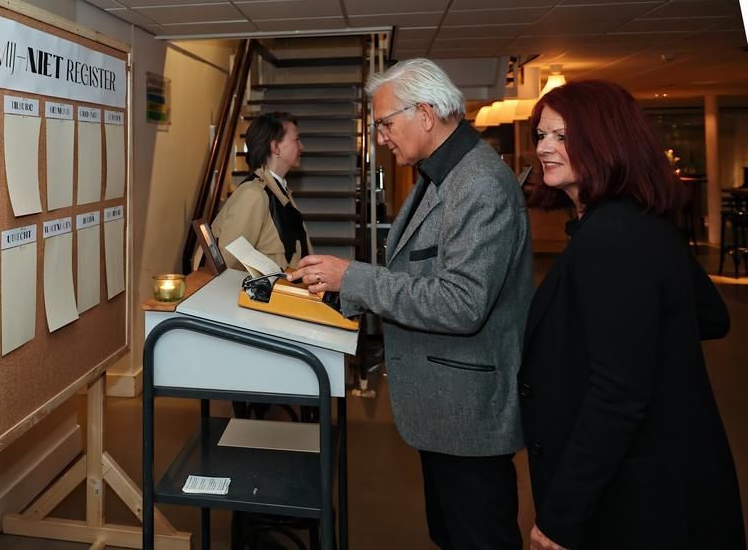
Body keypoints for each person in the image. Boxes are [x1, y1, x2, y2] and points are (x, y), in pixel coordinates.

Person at [289, 58, 533, 550]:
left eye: (384, 124)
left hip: (468, 413)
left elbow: (462, 303)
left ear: (424, 113)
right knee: (450, 534)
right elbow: (414, 277)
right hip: (441, 404)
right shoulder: (439, 176)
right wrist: (341, 289)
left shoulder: (479, 184)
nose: (381, 137)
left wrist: (352, 277)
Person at [519, 79, 745, 550]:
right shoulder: (638, 222)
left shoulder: (612, 237)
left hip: (638, 492)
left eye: (561, 136)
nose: (544, 148)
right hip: (668, 473)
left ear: (605, 139)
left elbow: (618, 394)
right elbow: (709, 315)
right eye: (541, 135)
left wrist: (560, 517)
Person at [211, 111, 311, 272]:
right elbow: (228, 264)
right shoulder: (254, 195)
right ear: (276, 147)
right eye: (296, 140)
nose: (302, 146)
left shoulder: (279, 192)